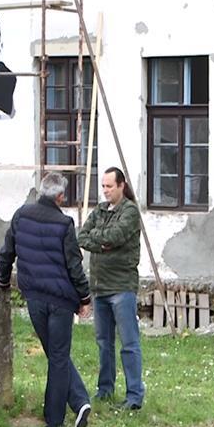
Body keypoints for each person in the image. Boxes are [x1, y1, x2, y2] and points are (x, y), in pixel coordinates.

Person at [0, 173, 92, 427]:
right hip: (61, 300)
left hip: (35, 297)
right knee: (58, 355)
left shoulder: (21, 215)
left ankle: (80, 402)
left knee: (55, 353)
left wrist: (3, 281)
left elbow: (7, 253)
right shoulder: (64, 224)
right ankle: (55, 419)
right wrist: (84, 297)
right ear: (60, 196)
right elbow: (74, 265)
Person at [78, 167, 145, 410]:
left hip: (121, 286)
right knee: (104, 343)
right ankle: (105, 390)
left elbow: (114, 237)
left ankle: (134, 395)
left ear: (121, 186)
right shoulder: (99, 210)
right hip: (100, 287)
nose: (105, 191)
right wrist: (102, 242)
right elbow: (82, 236)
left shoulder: (130, 211)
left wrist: (101, 239)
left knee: (129, 343)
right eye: (103, 186)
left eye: (109, 186)